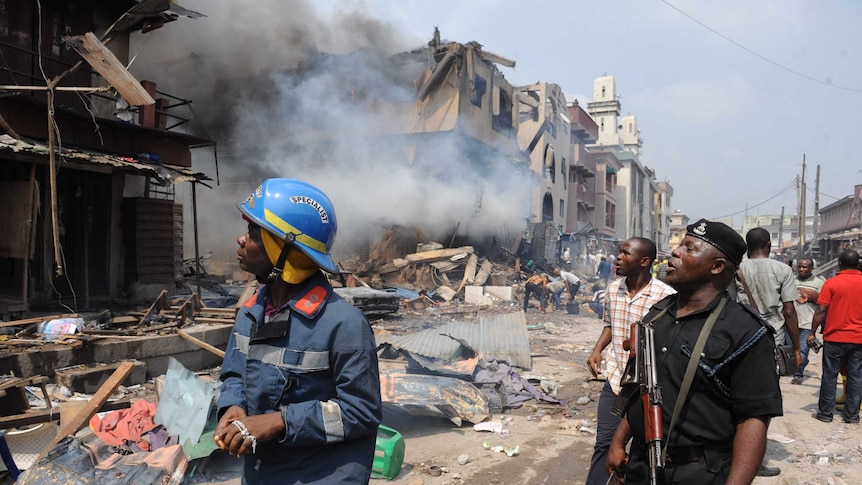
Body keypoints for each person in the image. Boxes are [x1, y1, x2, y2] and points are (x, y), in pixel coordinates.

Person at [214, 179, 383, 484]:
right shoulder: (251, 313)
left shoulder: (344, 325)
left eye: (254, 233)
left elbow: (361, 412)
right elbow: (234, 374)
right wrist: (233, 406)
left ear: (284, 250)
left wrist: (281, 422)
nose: (241, 240)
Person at [606, 219, 783, 484]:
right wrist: (619, 442)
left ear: (717, 266)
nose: (675, 252)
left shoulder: (746, 331)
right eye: (679, 245)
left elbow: (753, 420)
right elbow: (644, 390)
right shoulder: (659, 314)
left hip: (697, 471)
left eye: (689, 248)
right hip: (642, 464)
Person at [585, 237, 676, 485]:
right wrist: (597, 351)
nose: (618, 257)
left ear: (644, 261)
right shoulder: (613, 289)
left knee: (644, 448)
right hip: (616, 381)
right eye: (619, 252)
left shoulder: (666, 296)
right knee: (605, 443)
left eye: (626, 253)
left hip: (647, 387)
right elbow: (610, 325)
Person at [809, 250, 862, 425]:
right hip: (858, 339)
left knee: (830, 376)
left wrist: (812, 331)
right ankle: (852, 416)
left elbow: (821, 310)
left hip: (834, 337)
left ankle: (825, 414)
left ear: (839, 263)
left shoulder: (832, 283)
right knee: (856, 377)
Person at [736, 227, 802, 362]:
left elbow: (730, 303)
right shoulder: (783, 269)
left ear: (748, 246)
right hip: (773, 335)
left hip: (743, 334)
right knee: (770, 378)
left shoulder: (737, 270)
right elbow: (789, 312)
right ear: (769, 244)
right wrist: (796, 349)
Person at [791, 258, 825, 385]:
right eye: (800, 267)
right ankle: (798, 365)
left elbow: (823, 303)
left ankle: (798, 375)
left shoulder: (819, 283)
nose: (801, 269)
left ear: (812, 269)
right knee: (792, 349)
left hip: (808, 322)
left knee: (803, 350)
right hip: (791, 321)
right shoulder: (791, 280)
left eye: (805, 267)